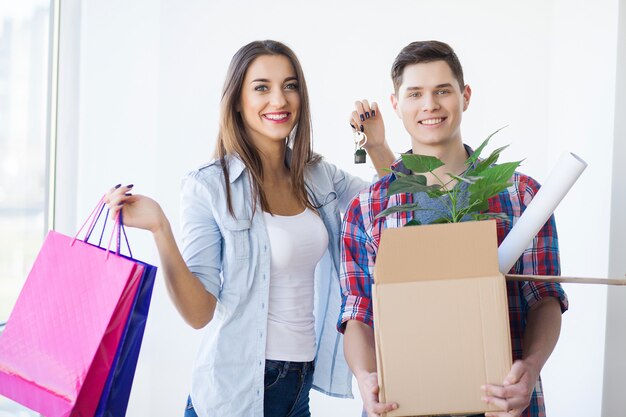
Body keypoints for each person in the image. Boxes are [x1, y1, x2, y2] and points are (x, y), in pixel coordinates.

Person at [105, 40, 395, 417]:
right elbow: (198, 314)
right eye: (262, 87)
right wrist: (160, 229)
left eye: (290, 86)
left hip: (298, 386)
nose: (279, 99)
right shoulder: (209, 186)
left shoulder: (316, 174)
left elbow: (391, 205)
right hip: (234, 392)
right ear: (238, 101)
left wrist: (376, 144)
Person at [338, 40, 569, 417]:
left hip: (502, 404)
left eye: (442, 91)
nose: (430, 105)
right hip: (404, 403)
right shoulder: (367, 208)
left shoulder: (521, 194)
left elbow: (543, 295)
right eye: (415, 94)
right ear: (396, 105)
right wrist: (365, 377)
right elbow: (358, 312)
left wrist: (530, 370)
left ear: (465, 96)